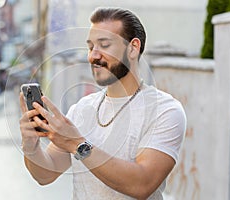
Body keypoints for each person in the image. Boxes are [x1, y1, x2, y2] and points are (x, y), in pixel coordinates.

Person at [19, 7, 186, 200]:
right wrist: (31, 146)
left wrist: (76, 143)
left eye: (104, 45)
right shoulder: (82, 109)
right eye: (90, 47)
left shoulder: (164, 110)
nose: (92, 56)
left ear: (133, 48)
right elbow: (46, 174)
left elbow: (142, 184)